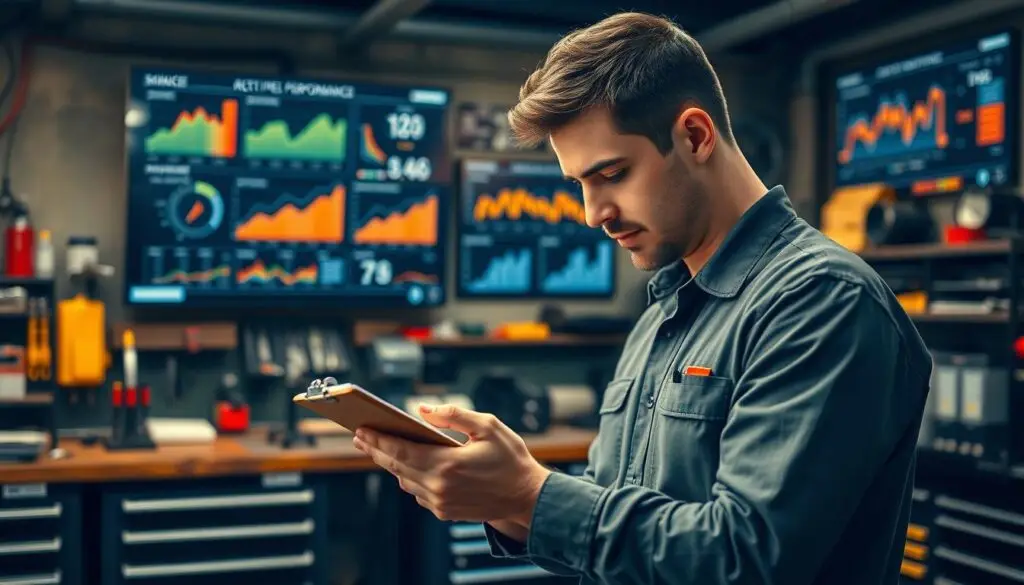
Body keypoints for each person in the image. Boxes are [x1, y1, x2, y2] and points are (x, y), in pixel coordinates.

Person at [352, 11, 933, 585]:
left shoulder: (821, 302)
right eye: (579, 184)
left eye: (612, 174)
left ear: (696, 136)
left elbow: (746, 560)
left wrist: (533, 492)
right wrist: (502, 499)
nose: (592, 214)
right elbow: (618, 538)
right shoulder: (663, 311)